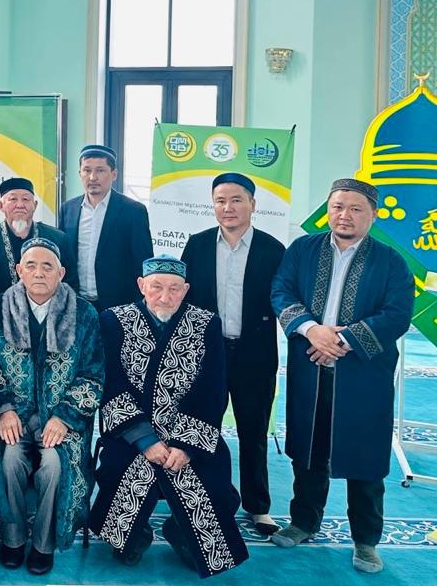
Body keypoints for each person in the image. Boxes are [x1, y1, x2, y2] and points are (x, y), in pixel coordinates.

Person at [270, 178, 413, 574]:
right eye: (337, 207)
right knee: (308, 449)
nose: (344, 215)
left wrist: (341, 340)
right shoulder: (303, 250)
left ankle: (366, 540)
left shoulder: (391, 261)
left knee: (365, 456)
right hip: (310, 369)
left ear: (373, 215)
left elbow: (397, 315)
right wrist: (311, 329)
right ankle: (303, 521)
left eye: (355, 209)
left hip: (364, 376)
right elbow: (282, 291)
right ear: (328, 209)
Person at [89, 256, 248, 577]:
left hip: (188, 434)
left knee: (214, 479)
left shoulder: (205, 323)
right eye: (156, 287)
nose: (165, 296)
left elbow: (213, 388)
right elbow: (111, 382)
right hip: (132, 434)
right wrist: (145, 440)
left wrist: (185, 445)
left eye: (174, 289)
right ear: (141, 285)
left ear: (185, 289)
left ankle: (181, 531)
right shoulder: (114, 320)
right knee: (117, 470)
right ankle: (135, 533)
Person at [0, 237, 102, 575]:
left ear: (61, 273)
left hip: (60, 416)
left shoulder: (84, 314)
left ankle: (43, 543)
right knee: (9, 458)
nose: (39, 273)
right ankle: (13, 537)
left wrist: (64, 417)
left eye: (47, 266)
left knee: (53, 463)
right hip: (14, 414)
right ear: (19, 270)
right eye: (31, 266)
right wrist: (4, 409)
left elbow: (93, 376)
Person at [181, 172, 286, 536]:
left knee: (253, 430)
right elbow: (183, 299)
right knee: (201, 427)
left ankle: (258, 507)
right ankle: (202, 496)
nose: (228, 208)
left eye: (236, 200)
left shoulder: (273, 250)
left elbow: (283, 300)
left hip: (254, 356)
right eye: (220, 201)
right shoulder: (197, 245)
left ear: (252, 204)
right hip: (207, 354)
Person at [0, 177, 75, 334]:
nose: (20, 205)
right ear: (1, 205)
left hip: (49, 328)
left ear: (35, 205)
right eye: (13, 199)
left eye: (26, 199)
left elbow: (70, 284)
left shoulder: (58, 239)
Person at [58, 145, 153, 311]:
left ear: (114, 174)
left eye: (100, 170)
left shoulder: (133, 211)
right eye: (87, 170)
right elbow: (62, 256)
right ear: (80, 173)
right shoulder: (68, 209)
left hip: (119, 304)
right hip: (75, 303)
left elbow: (142, 261)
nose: (92, 177)